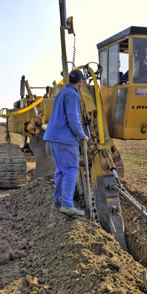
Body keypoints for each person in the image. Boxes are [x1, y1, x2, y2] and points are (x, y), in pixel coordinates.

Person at [44, 69, 89, 217]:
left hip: (53, 137)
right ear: (80, 81)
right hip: (65, 139)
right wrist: (82, 135)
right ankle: (67, 205)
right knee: (71, 170)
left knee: (61, 170)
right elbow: (73, 119)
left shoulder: (62, 93)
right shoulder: (72, 95)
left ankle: (57, 201)